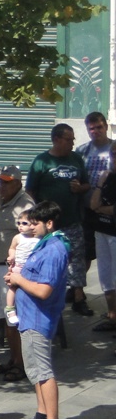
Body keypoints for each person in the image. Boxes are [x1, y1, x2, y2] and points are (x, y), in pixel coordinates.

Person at [5, 201, 69, 419]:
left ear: (49, 223)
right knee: (34, 371)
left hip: (38, 318)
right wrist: (15, 278)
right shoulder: (47, 243)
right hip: (30, 316)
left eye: (36, 223)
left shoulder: (54, 250)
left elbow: (43, 291)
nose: (31, 227)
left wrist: (19, 280)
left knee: (43, 372)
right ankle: (42, 416)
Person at [26, 123, 91, 316]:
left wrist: (80, 188)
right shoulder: (42, 162)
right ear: (56, 139)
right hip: (48, 224)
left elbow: (87, 184)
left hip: (72, 219)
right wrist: (32, 217)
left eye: (73, 139)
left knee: (77, 258)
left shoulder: (76, 159)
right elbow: (30, 191)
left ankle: (79, 297)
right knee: (48, 259)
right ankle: (46, 294)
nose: (73, 143)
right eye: (69, 139)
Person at [0, 165, 36, 381]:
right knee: (7, 318)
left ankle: (22, 363)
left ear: (18, 183)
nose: (1, 185)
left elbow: (31, 237)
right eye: (0, 181)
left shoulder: (24, 206)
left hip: (11, 271)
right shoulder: (5, 201)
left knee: (14, 318)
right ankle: (14, 359)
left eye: (6, 182)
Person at [78, 112, 111, 274]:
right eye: (91, 129)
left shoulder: (114, 149)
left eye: (99, 127)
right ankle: (78, 289)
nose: (95, 131)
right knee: (85, 251)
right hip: (87, 208)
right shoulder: (82, 151)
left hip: (109, 209)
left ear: (105, 127)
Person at [89, 140, 116, 329]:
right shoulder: (108, 177)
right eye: (113, 154)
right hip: (102, 232)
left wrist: (103, 208)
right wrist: (99, 185)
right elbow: (93, 205)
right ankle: (112, 315)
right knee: (105, 277)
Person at [4, 210, 38, 327]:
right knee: (12, 288)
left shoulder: (38, 238)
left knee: (29, 288)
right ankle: (10, 309)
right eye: (18, 223)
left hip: (31, 268)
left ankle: (30, 309)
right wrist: (11, 255)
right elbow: (12, 248)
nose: (20, 226)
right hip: (18, 266)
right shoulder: (18, 237)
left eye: (24, 223)